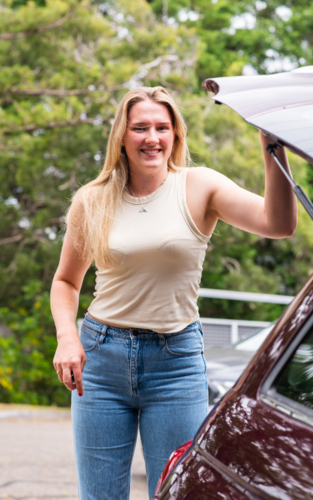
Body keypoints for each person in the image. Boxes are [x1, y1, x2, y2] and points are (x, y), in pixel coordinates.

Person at [50, 86, 297, 500]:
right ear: (122, 137)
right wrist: (67, 337)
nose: (152, 137)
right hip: (102, 359)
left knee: (176, 493)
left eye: (162, 127)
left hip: (176, 363)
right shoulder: (92, 201)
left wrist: (274, 149)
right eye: (140, 127)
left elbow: (278, 223)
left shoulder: (200, 187)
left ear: (175, 135)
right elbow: (65, 282)